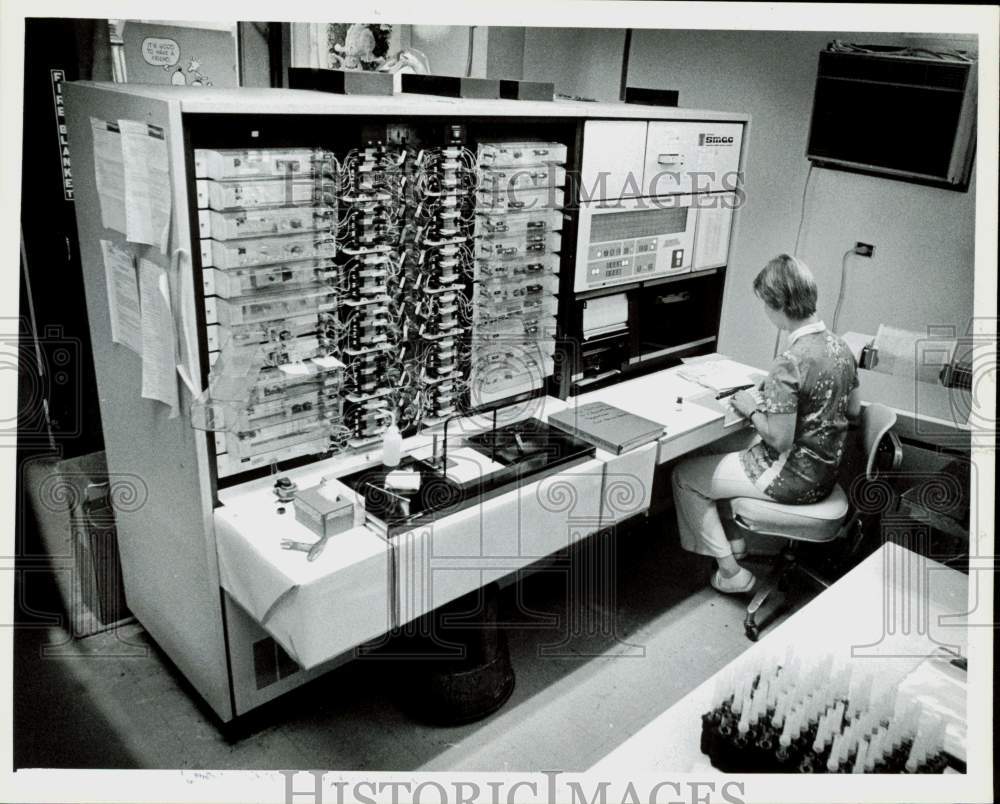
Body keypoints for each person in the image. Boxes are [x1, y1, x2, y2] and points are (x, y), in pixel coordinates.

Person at [671, 254, 861, 593]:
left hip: (794, 477)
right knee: (719, 452)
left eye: (764, 303)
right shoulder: (840, 346)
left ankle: (731, 574)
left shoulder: (789, 362)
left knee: (685, 476)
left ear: (777, 304)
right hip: (826, 472)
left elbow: (780, 440)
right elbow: (855, 409)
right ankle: (734, 542)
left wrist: (750, 408)